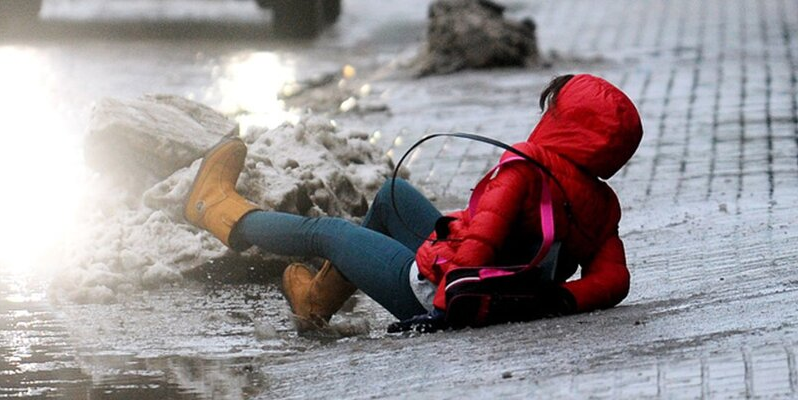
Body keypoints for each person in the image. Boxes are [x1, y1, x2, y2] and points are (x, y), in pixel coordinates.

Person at [183, 73, 643, 332]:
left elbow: (479, 247)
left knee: (327, 233)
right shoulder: (603, 204)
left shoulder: (527, 167)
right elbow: (614, 280)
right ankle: (316, 300)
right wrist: (556, 299)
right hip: (486, 290)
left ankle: (217, 209)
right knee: (392, 195)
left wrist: (442, 310)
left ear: (563, 121)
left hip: (434, 291)